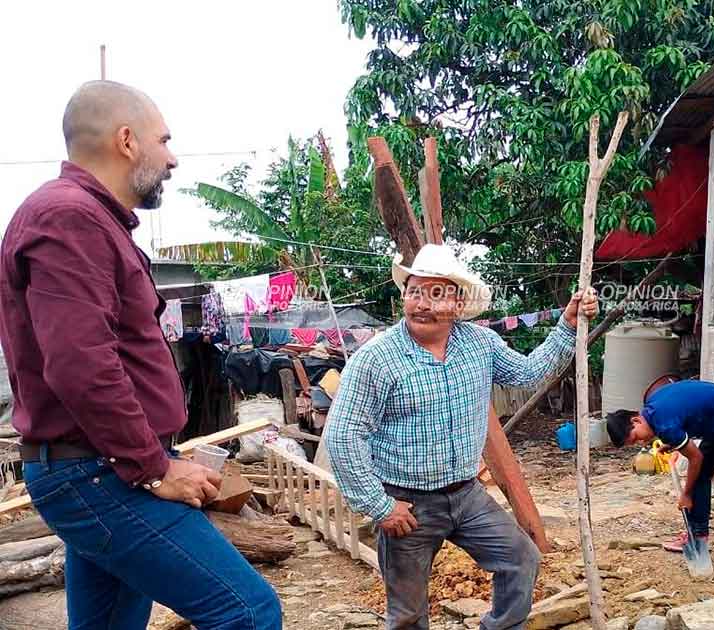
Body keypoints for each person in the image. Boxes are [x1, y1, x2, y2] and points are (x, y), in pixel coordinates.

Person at [0, 81, 281, 629]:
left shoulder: (86, 219)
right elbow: (82, 367)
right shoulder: (69, 218)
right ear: (127, 141)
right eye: (165, 139)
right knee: (247, 611)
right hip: (100, 473)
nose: (173, 157)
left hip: (100, 468)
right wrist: (153, 469)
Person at [325, 243, 598, 630]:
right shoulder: (377, 359)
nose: (422, 304)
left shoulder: (479, 345)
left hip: (466, 494)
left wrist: (568, 327)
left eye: (437, 294)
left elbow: (527, 374)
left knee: (522, 559)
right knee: (407, 614)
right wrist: (380, 506)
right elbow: (343, 436)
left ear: (457, 302)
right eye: (415, 291)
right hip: (408, 504)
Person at [604, 380, 714, 582]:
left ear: (636, 420)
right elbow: (685, 413)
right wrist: (673, 442)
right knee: (700, 474)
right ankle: (697, 535)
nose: (642, 443)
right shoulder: (653, 411)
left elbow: (694, 457)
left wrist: (686, 495)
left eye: (635, 438)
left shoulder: (664, 422)